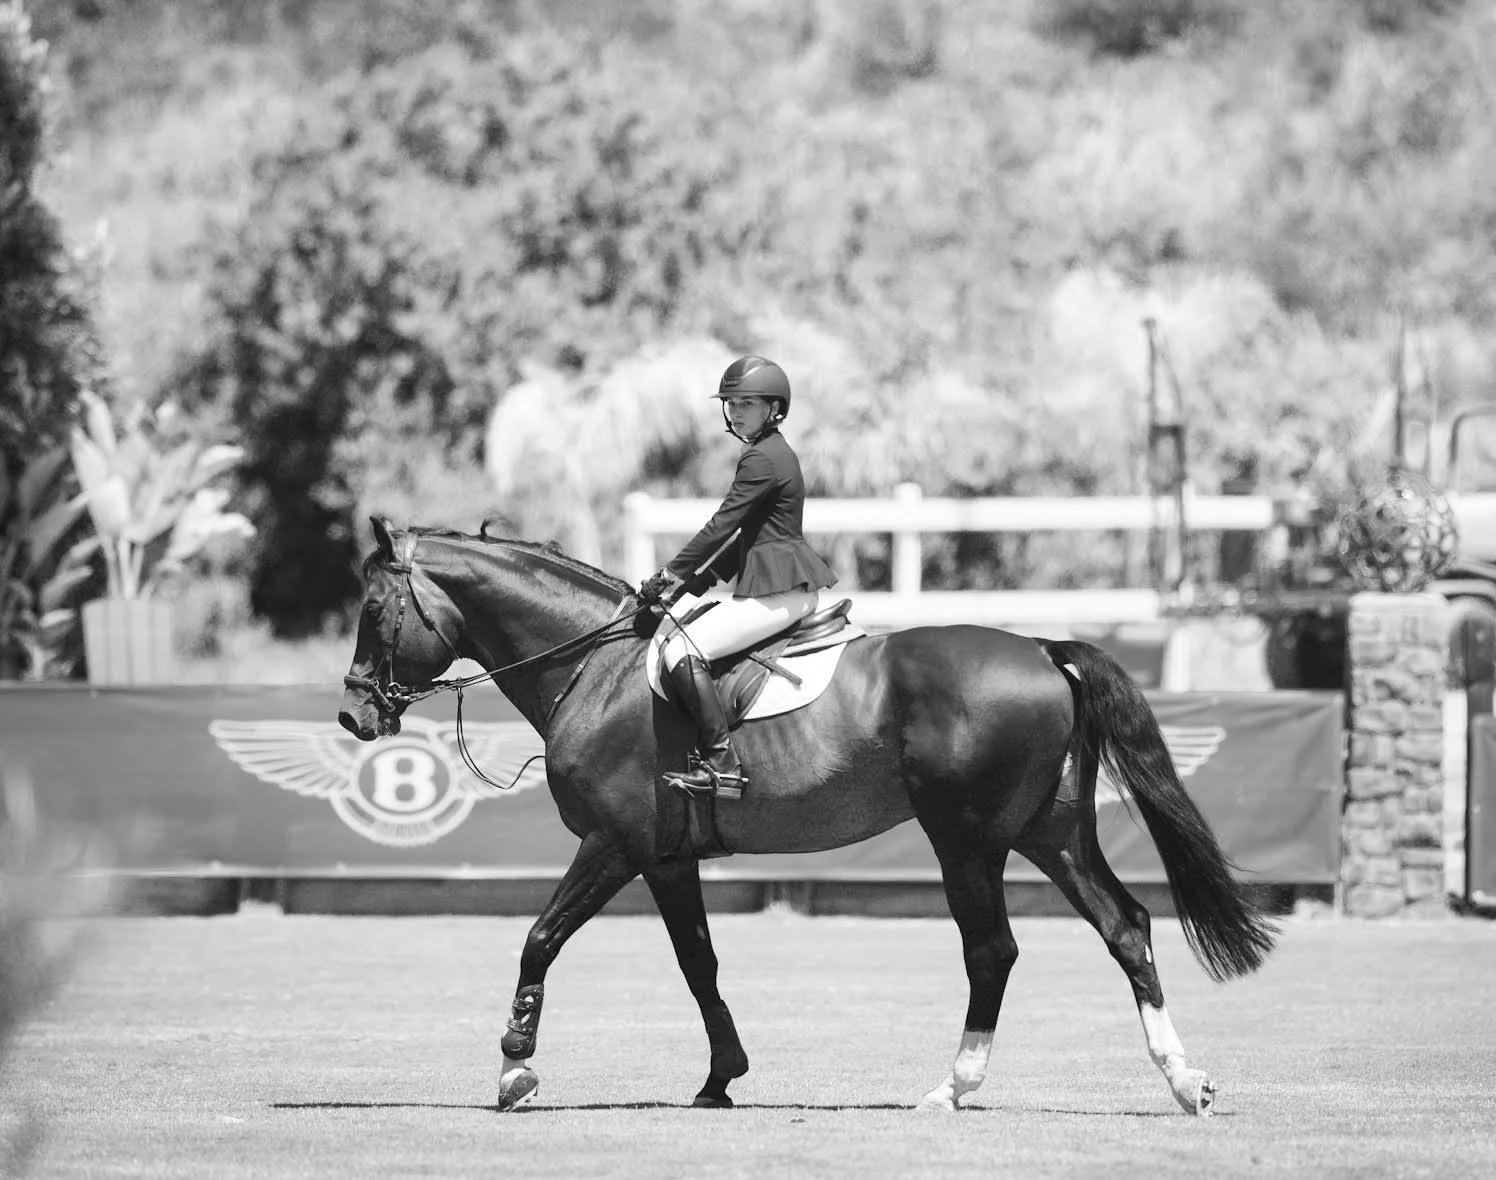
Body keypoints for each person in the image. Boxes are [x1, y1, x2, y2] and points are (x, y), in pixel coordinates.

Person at [637, 355, 838, 797]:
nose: (737, 412)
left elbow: (722, 524)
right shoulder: (770, 452)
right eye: (732, 403)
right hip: (779, 586)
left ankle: (722, 762)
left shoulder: (762, 459)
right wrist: (697, 583)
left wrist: (669, 574)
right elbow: (747, 536)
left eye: (747, 403)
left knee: (681, 650)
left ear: (774, 408)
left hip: (778, 593)